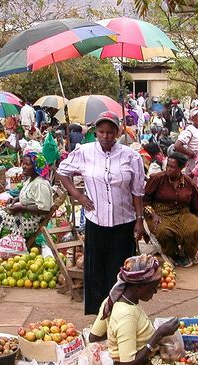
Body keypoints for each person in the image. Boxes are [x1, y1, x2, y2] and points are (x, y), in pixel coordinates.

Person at [57, 111, 146, 315]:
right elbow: (62, 172)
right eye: (101, 132)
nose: (105, 136)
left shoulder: (130, 156)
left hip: (124, 222)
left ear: (117, 132)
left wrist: (139, 220)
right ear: (95, 132)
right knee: (96, 270)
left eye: (110, 132)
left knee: (121, 270)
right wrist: (78, 196)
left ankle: (121, 312)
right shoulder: (85, 152)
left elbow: (137, 191)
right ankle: (99, 314)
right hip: (96, 221)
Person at [0, 148, 53, 249]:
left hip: (30, 221)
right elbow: (29, 196)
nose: (24, 166)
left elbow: (43, 209)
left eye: (27, 164)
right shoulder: (31, 179)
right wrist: (16, 199)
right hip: (25, 215)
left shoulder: (40, 184)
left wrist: (22, 208)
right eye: (23, 163)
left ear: (36, 166)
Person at [144, 152, 198, 267]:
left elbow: (196, 206)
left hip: (183, 213)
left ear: (181, 168)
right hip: (161, 213)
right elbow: (145, 200)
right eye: (167, 165)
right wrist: (153, 214)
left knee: (197, 229)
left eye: (172, 167)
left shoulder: (189, 183)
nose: (168, 169)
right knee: (165, 232)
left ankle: (187, 254)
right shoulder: (157, 179)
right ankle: (172, 254)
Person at [173, 108, 198, 174]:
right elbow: (177, 145)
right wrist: (192, 154)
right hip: (194, 164)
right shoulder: (189, 130)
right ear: (193, 118)